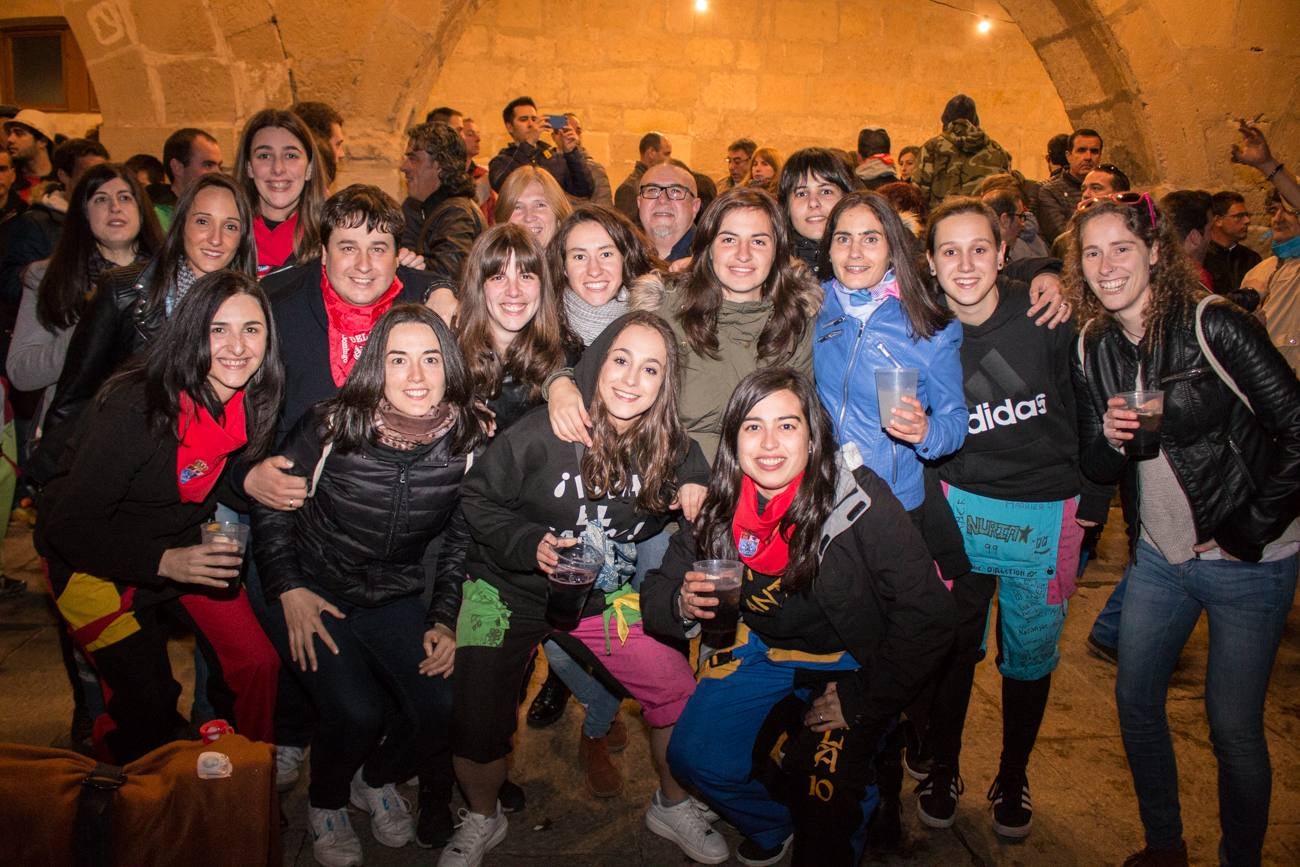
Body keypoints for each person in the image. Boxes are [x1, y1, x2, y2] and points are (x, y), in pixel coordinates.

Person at [441, 310, 725, 867]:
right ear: (596, 365)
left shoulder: (669, 448)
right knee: (478, 719)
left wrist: (697, 485)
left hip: (598, 599)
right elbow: (475, 498)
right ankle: (481, 816)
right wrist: (528, 542)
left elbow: (696, 469)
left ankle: (671, 804)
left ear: (665, 385)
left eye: (651, 370)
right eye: (621, 361)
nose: (630, 379)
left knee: (676, 693)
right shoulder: (544, 431)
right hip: (504, 590)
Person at [1068, 194, 1300, 867]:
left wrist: (1247, 530)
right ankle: (1165, 844)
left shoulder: (1213, 325)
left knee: (1232, 729)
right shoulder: (1094, 344)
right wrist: (1109, 440)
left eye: (1120, 248)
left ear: (1156, 252)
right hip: (1159, 557)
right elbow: (1094, 459)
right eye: (1091, 252)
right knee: (1136, 700)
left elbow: (1295, 428)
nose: (1106, 265)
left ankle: (1240, 858)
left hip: (1250, 561)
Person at [644, 367, 956, 865]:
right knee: (693, 758)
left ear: (813, 438)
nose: (769, 443)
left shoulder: (857, 499)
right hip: (763, 651)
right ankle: (772, 823)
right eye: (752, 426)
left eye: (787, 425)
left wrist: (863, 695)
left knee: (827, 811)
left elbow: (933, 614)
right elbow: (657, 591)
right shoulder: (721, 506)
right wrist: (679, 604)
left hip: (849, 664)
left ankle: (850, 803)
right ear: (733, 442)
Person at [253, 305, 478, 864]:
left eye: (430, 359)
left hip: (393, 595)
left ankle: (373, 780)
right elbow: (272, 509)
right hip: (314, 590)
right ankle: (325, 801)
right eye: (398, 360)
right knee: (356, 712)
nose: (417, 377)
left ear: (450, 366)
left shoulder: (468, 440)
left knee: (445, 703)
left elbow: (458, 541)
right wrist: (287, 588)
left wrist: (445, 619)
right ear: (375, 365)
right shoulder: (331, 424)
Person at [914, 198, 1110, 839]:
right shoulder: (918, 330)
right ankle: (943, 768)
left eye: (979, 248)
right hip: (958, 511)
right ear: (931, 264)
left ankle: (1013, 772)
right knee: (952, 651)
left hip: (1045, 513)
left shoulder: (1043, 313)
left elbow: (1087, 408)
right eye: (949, 251)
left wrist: (1093, 503)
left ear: (1003, 253)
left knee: (1028, 657)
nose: (965, 264)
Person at [36, 270, 283, 763]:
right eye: (219, 329)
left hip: (180, 547)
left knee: (257, 664)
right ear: (193, 331)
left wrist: (250, 485)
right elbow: (65, 528)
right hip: (94, 566)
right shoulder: (137, 406)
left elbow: (208, 475)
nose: (237, 346)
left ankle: (250, 776)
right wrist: (166, 561)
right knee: (148, 708)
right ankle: (120, 794)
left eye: (251, 329)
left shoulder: (249, 399)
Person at [553, 186, 820, 463]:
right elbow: (596, 365)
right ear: (709, 248)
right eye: (728, 240)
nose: (743, 254)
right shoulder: (665, 308)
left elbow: (799, 424)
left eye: (758, 241)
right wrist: (559, 383)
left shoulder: (797, 321)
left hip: (759, 478)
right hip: (672, 474)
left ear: (778, 251)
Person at [33, 173, 256, 483]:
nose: (216, 239)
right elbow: (75, 397)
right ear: (181, 225)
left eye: (230, 226)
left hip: (206, 478)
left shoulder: (250, 310)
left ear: (243, 236)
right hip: (120, 470)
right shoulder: (124, 292)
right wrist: (56, 480)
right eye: (203, 222)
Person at [7, 163, 163, 454]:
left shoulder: (169, 277)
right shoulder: (49, 277)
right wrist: (90, 328)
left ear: (142, 209)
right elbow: (21, 372)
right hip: (74, 440)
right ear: (83, 212)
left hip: (153, 437)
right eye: (101, 199)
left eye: (125, 197)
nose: (115, 207)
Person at [399, 120, 485, 305]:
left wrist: (402, 267)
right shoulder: (444, 209)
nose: (403, 166)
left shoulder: (456, 213)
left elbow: (447, 281)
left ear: (440, 166)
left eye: (413, 158)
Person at [233, 109, 327, 277]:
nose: (277, 169)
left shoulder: (329, 239)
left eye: (290, 155)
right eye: (264, 156)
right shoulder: (226, 238)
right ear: (249, 167)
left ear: (309, 168)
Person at [914, 95, 1011, 209]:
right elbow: (1006, 194)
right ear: (975, 120)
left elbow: (918, 195)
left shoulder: (931, 148)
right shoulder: (996, 150)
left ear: (945, 119)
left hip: (942, 222)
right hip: (984, 222)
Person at [487, 97, 593, 198]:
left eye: (534, 119)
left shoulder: (553, 156)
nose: (531, 124)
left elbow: (583, 190)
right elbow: (503, 186)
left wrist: (571, 152)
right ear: (509, 127)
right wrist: (528, 144)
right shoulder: (501, 161)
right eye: (523, 120)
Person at [778, 147, 857, 275]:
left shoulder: (871, 264)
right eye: (802, 193)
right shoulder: (770, 271)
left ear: (847, 199)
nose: (813, 202)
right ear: (786, 207)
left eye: (826, 191)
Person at [1037, 128, 1104, 243]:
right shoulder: (1051, 191)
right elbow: (1063, 238)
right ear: (1069, 156)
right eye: (1081, 150)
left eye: (1094, 151)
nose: (1088, 157)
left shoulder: (1108, 186)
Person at [151, 128, 224, 228]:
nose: (218, 173)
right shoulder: (157, 219)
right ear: (178, 168)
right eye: (208, 165)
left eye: (220, 166)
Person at [635, 161, 701, 264]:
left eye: (675, 191)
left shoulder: (709, 261)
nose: (662, 200)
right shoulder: (622, 259)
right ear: (639, 203)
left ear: (694, 207)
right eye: (652, 190)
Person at [493, 166, 572, 251]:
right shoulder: (486, 262)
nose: (529, 217)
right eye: (517, 207)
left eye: (540, 205)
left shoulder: (580, 262)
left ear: (559, 217)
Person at [1204, 191, 1261, 299]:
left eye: (1247, 215)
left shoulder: (1252, 258)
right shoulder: (1202, 257)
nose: (1247, 221)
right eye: (1239, 216)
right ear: (1218, 220)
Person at [614, 132, 672, 220]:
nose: (670, 160)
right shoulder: (629, 189)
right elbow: (627, 230)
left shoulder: (658, 183)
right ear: (651, 153)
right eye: (666, 154)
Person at [562, 113, 613, 206]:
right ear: (555, 136)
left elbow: (605, 210)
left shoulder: (595, 169)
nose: (573, 135)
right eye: (566, 130)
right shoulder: (549, 164)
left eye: (578, 131)